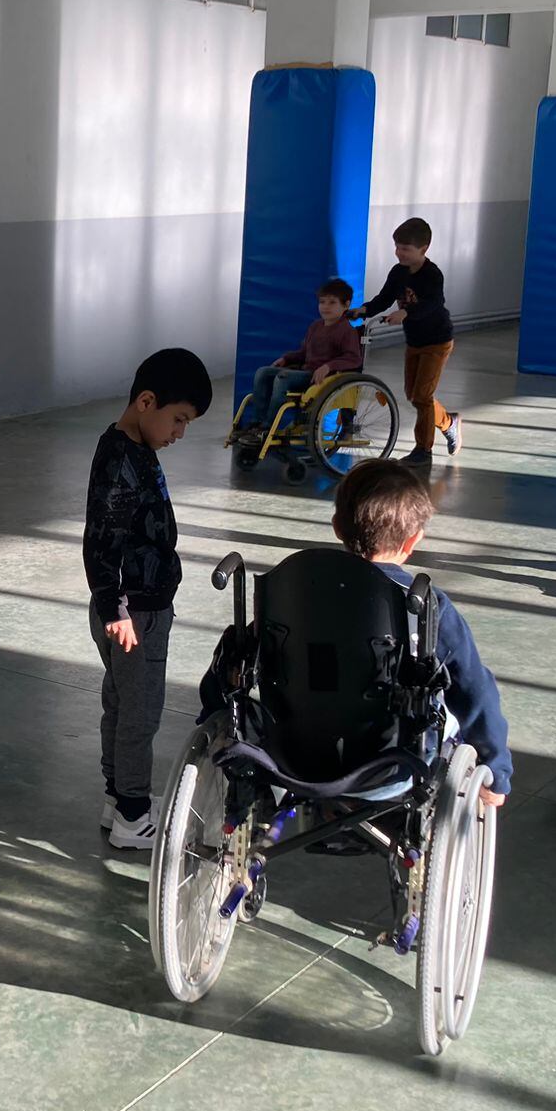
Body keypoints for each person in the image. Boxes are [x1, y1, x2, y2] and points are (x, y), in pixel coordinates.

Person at [85, 347, 214, 850]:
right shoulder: (123, 461)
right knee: (139, 713)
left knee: (120, 703)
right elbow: (101, 542)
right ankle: (133, 817)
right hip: (136, 612)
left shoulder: (130, 447)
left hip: (130, 607)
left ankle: (119, 797)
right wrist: (115, 609)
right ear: (146, 402)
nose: (179, 433)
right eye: (178, 419)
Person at [331, 460, 511, 811]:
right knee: (452, 705)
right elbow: (474, 690)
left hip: (297, 756)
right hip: (393, 767)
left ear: (337, 526)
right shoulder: (427, 606)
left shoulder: (299, 592)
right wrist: (497, 771)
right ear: (414, 540)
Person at [365, 218, 460, 463]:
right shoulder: (398, 272)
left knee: (422, 396)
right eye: (397, 247)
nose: (399, 253)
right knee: (414, 395)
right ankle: (449, 422)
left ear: (423, 249)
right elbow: (384, 298)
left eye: (406, 249)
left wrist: (406, 313)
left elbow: (433, 303)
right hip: (415, 341)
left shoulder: (432, 274)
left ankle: (423, 451)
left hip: (437, 341)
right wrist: (363, 310)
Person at [239, 279, 364, 438]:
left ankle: (267, 426)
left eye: (332, 302)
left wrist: (328, 366)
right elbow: (305, 353)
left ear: (346, 305)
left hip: (322, 378)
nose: (325, 307)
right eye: (322, 302)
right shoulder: (316, 326)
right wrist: (286, 359)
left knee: (282, 377)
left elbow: (353, 359)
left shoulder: (347, 331)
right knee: (262, 372)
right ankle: (256, 421)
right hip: (305, 371)